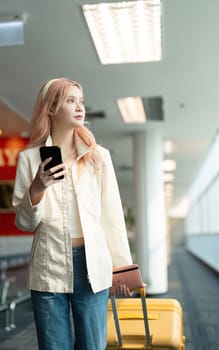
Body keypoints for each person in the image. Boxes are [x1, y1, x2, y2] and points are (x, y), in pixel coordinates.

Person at [12, 77, 133, 350]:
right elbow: (24, 222)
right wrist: (37, 188)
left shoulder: (98, 156)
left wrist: (122, 267)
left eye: (81, 101)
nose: (80, 107)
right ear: (51, 108)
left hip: (93, 265)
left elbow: (112, 215)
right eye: (70, 100)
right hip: (48, 265)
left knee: (93, 346)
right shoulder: (30, 159)